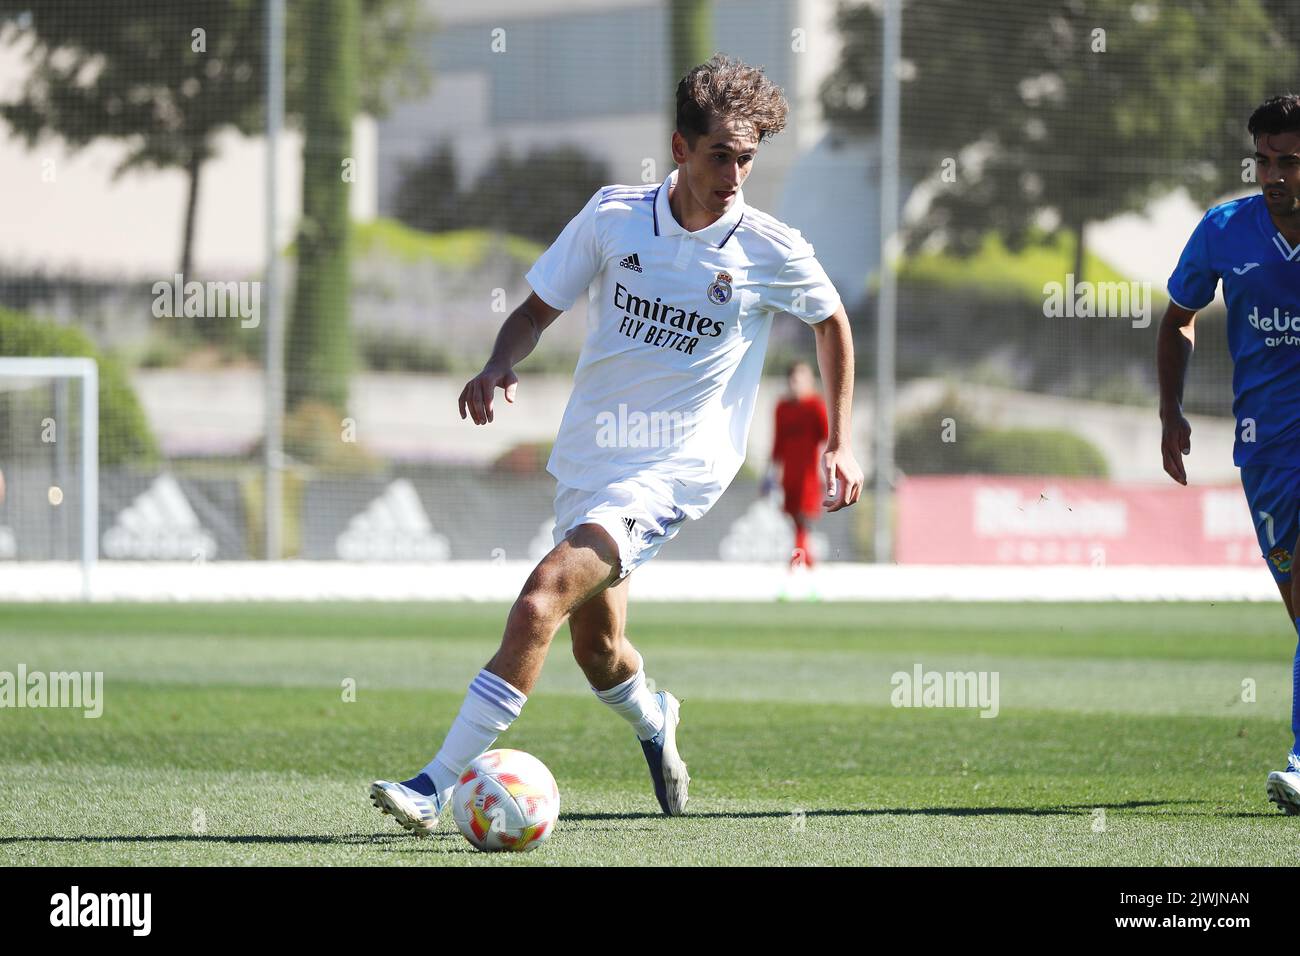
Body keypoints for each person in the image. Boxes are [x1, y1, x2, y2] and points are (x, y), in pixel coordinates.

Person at [370, 53, 863, 834]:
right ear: (678, 148)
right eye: (719, 155)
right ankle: (656, 717)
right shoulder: (613, 216)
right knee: (599, 654)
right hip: (593, 457)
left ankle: (434, 784)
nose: (735, 174)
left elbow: (830, 321)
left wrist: (839, 439)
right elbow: (535, 312)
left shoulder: (770, 248)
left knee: (541, 599)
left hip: (675, 470)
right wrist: (499, 362)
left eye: (746, 158)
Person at [1157, 93, 1300, 814]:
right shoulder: (1224, 230)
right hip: (1266, 448)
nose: (1275, 175)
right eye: (1265, 160)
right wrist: (1170, 412)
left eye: (1290, 162)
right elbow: (1178, 320)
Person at [764, 360, 829, 569]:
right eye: (794, 379)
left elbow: (827, 438)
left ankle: (798, 560)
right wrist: (771, 472)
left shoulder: (816, 406)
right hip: (789, 473)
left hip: (809, 473)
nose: (797, 384)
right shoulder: (782, 407)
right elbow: (777, 442)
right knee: (794, 517)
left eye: (802, 379)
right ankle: (806, 560)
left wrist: (828, 471)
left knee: (803, 516)